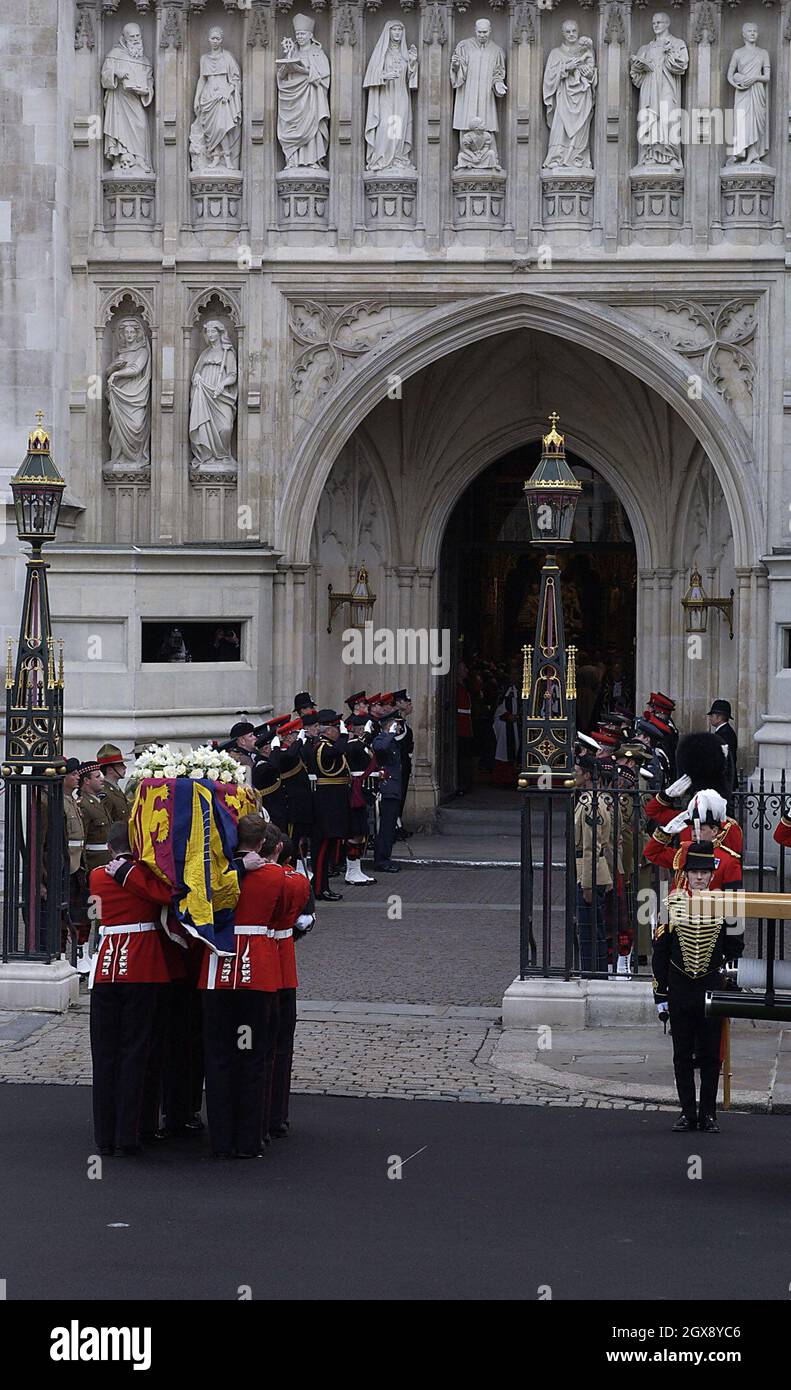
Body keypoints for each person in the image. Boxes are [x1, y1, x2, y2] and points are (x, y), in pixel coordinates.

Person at [199, 817, 285, 1158]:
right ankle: (248, 1140)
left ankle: (221, 1140)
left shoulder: (214, 874)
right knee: (252, 1056)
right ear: (263, 843)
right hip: (258, 972)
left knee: (219, 1057)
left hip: (217, 971)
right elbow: (282, 919)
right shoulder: (277, 876)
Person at [89, 820, 175, 1155]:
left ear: (110, 848)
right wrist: (133, 872)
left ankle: (106, 1135)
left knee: (106, 1054)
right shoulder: (144, 876)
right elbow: (168, 895)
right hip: (142, 965)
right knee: (134, 1052)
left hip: (107, 968)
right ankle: (128, 1133)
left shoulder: (99, 874)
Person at [653, 840, 741, 1133]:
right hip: (680, 987)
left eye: (704, 872)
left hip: (710, 985)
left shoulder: (728, 905)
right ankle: (687, 1112)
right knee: (682, 1054)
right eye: (694, 872)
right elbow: (661, 952)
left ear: (712, 874)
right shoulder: (670, 903)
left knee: (710, 1054)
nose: (700, 877)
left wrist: (724, 975)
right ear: (687, 875)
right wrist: (661, 992)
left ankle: (709, 1114)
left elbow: (735, 946)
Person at [268, 839, 315, 1137]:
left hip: (240, 969)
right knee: (280, 1046)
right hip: (281, 964)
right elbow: (305, 921)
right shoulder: (295, 881)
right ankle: (276, 1114)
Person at [574, 754, 612, 973]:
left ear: (588, 775)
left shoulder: (591, 803)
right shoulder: (589, 799)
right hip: (592, 870)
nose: (573, 774)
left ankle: (593, 973)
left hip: (589, 872)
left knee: (590, 932)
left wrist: (587, 882)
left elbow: (591, 846)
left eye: (577, 771)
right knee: (590, 930)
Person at [311, 710, 350, 900]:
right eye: (335, 727)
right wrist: (344, 735)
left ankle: (321, 885)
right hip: (327, 803)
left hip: (334, 802)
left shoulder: (329, 746)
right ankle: (319, 888)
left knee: (328, 848)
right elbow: (337, 751)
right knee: (322, 848)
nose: (338, 731)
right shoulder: (322, 747)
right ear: (328, 730)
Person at [344, 715, 377, 885]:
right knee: (355, 833)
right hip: (355, 793)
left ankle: (357, 869)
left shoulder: (363, 745)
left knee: (361, 833)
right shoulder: (353, 745)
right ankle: (351, 871)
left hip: (364, 793)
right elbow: (353, 751)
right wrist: (365, 738)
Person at [372, 713, 405, 873]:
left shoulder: (392, 741)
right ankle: (381, 860)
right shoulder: (381, 739)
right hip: (387, 789)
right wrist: (390, 733)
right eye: (396, 724)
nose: (399, 727)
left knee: (390, 827)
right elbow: (380, 748)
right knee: (385, 828)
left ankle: (386, 858)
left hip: (394, 789)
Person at [707, 699, 738, 799]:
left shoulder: (724, 734)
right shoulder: (723, 732)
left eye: (712, 715)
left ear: (719, 717)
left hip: (724, 781)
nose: (710, 718)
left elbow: (723, 759)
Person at [96, 743, 130, 825]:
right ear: (110, 769)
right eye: (120, 765)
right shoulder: (105, 793)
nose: (125, 767)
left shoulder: (115, 788)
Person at [455, 660, 475, 795]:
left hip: (466, 727)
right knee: (461, 758)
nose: (467, 670)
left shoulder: (464, 686)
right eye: (464, 668)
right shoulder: (456, 687)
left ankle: (465, 783)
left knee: (466, 758)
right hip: (460, 728)